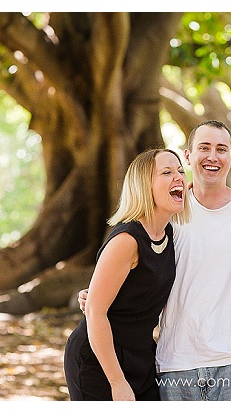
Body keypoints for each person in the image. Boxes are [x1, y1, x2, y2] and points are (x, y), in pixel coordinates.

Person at [76, 121, 231, 400]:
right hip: (173, 365)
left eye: (221, 149)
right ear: (188, 156)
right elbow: (141, 270)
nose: (212, 156)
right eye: (204, 148)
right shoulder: (170, 211)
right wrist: (101, 299)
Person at [64, 149, 187, 400]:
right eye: (167, 172)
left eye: (180, 171)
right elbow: (96, 312)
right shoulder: (126, 240)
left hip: (141, 357)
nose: (179, 177)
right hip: (99, 361)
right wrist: (117, 382)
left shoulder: (170, 235)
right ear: (144, 185)